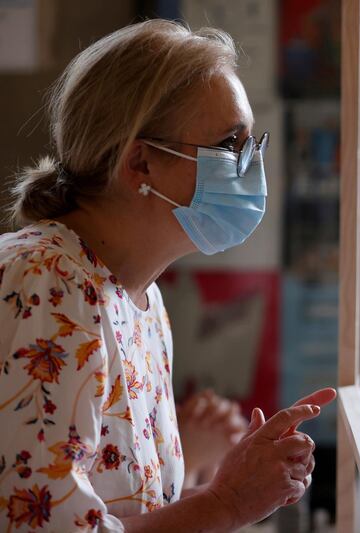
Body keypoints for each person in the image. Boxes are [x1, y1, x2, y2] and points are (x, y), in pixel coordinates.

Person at [0, 20, 336, 531]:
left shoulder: (142, 300)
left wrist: (241, 484)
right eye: (229, 145)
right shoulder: (47, 280)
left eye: (253, 143)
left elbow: (128, 512)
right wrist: (225, 503)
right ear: (141, 163)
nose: (250, 167)